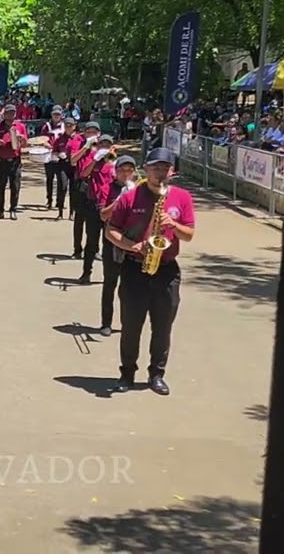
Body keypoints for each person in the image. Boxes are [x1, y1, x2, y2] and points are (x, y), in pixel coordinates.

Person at [105, 148, 196, 395]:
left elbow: (188, 235)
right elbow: (110, 230)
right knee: (131, 326)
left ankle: (156, 374)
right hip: (135, 268)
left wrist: (173, 224)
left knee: (163, 327)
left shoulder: (182, 197)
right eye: (155, 167)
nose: (160, 172)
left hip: (167, 270)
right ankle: (127, 374)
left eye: (165, 168)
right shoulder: (130, 197)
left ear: (172, 171)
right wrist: (132, 245)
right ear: (146, 169)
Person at [98, 155, 137, 337]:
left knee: (130, 287)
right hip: (112, 241)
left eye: (129, 170)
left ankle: (128, 322)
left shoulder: (140, 190)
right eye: (122, 170)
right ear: (116, 172)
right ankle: (106, 322)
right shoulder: (108, 187)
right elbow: (103, 215)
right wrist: (120, 200)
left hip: (132, 241)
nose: (125, 174)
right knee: (110, 283)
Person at [77, 135, 115, 285]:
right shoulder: (93, 157)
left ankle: (108, 276)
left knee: (109, 243)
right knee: (91, 242)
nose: (105, 146)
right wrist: (95, 159)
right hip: (93, 205)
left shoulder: (114, 161)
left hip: (109, 207)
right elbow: (84, 174)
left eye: (108, 144)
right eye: (102, 144)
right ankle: (86, 273)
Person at [0, 104, 26, 220]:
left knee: (15, 186)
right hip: (2, 160)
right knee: (0, 187)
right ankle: (0, 210)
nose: (11, 115)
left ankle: (13, 209)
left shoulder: (20, 126)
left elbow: (25, 143)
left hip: (15, 161)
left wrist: (22, 139)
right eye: (8, 112)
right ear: (4, 114)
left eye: (13, 112)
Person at [68, 121, 100, 257]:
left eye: (94, 132)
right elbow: (73, 160)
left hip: (97, 184)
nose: (92, 134)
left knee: (95, 220)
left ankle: (94, 249)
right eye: (89, 132)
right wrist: (85, 147)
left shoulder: (101, 144)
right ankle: (77, 248)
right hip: (81, 184)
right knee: (79, 218)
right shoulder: (78, 141)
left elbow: (111, 161)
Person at [41, 106, 68, 210]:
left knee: (62, 180)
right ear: (51, 115)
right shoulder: (46, 126)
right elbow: (42, 139)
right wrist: (46, 144)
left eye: (58, 114)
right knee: (50, 179)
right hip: (49, 155)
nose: (56, 116)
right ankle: (49, 200)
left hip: (61, 155)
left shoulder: (65, 126)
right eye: (54, 114)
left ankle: (60, 201)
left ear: (61, 115)